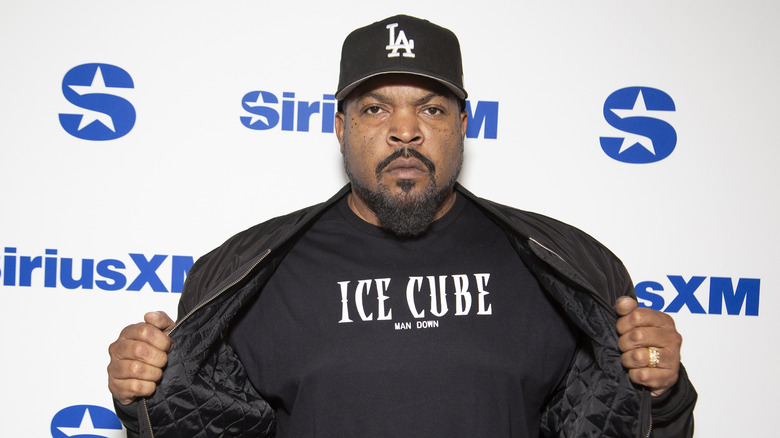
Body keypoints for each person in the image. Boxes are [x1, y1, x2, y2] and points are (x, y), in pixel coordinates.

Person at [107, 15, 696, 437]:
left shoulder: (564, 268)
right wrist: (147, 396)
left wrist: (662, 393)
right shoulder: (247, 275)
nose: (405, 130)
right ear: (340, 127)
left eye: (432, 109)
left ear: (463, 125)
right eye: (376, 107)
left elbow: (619, 421)